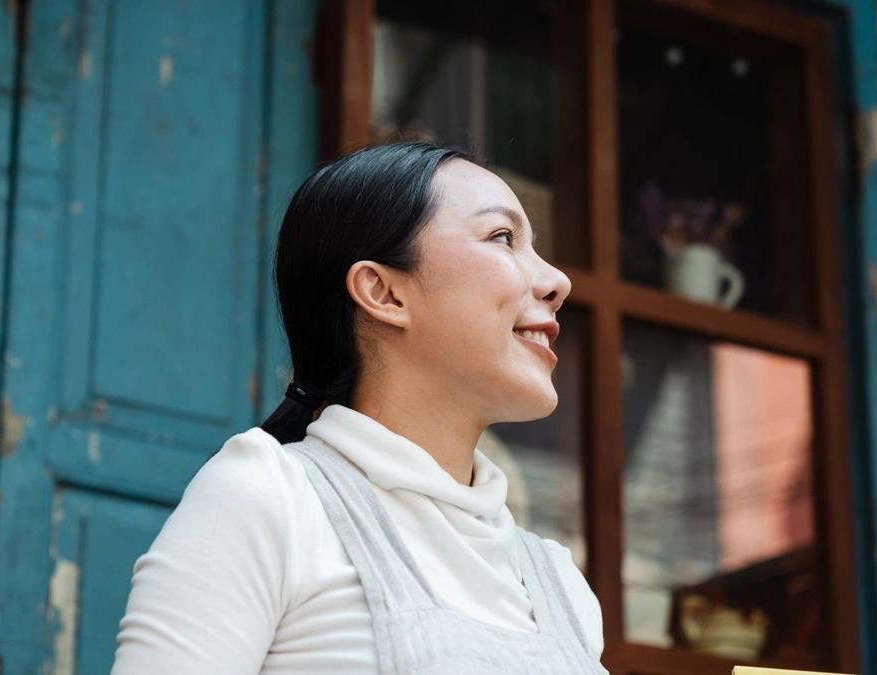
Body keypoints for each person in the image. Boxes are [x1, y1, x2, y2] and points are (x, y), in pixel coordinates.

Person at [112, 141, 607, 674]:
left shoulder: (559, 584)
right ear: (383, 293)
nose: (558, 281)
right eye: (503, 237)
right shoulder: (270, 498)